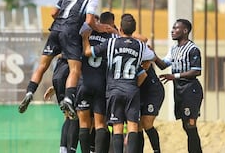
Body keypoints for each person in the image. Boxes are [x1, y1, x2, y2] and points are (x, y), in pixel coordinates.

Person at [18, 0, 117, 117]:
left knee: (42, 65)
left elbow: (53, 13)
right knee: (75, 69)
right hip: (70, 32)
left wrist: (62, 22)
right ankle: (68, 99)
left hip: (55, 29)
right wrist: (99, 27)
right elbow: (90, 20)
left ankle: (29, 92)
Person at [81, 13, 155, 153]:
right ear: (134, 29)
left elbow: (88, 52)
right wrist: (141, 69)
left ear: (120, 28)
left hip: (114, 89)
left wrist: (85, 38)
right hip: (132, 89)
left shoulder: (111, 42)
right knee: (133, 126)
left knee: (117, 127)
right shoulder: (139, 45)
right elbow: (151, 57)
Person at [154, 19, 203, 153]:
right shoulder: (174, 49)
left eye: (176, 28)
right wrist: (152, 55)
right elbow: (163, 65)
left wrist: (174, 76)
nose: (172, 31)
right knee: (185, 125)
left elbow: (196, 70)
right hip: (179, 90)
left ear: (185, 31)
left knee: (190, 125)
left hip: (191, 90)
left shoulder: (192, 49)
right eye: (173, 28)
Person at [76, 11, 118, 153]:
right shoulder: (112, 37)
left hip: (84, 83)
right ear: (112, 23)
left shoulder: (84, 32)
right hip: (102, 83)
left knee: (84, 124)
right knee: (100, 124)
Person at [43, 56, 79, 153]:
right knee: (77, 116)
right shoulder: (79, 42)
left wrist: (55, 87)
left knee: (67, 115)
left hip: (59, 74)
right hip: (70, 73)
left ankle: (63, 150)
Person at [137, 60, 164, 153]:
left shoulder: (141, 48)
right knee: (137, 125)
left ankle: (157, 150)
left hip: (152, 91)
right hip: (139, 91)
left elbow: (146, 66)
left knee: (146, 122)